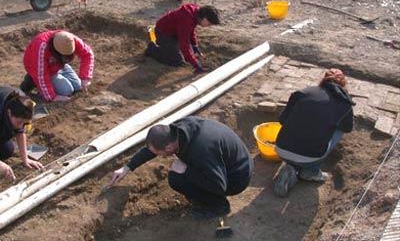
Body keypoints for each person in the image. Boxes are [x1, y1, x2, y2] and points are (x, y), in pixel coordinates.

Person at [109, 116, 253, 217]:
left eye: (158, 153)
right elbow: (154, 148)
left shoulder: (200, 150)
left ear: (169, 148)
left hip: (236, 178)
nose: (157, 155)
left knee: (176, 178)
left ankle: (219, 206)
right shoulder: (177, 130)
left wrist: (187, 170)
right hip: (227, 164)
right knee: (178, 173)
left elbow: (219, 185)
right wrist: (128, 167)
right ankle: (206, 196)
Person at [273, 68, 355, 197]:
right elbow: (348, 128)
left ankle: (291, 167)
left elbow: (282, 119)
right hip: (311, 157)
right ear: (343, 85)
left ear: (322, 80)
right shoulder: (344, 104)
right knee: (339, 129)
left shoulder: (303, 92)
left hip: (281, 148)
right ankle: (310, 171)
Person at [20, 30, 94, 102]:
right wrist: (52, 97)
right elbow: (41, 75)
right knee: (67, 91)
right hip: (39, 68)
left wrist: (85, 78)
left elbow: (87, 54)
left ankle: (56, 74)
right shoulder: (41, 48)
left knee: (78, 85)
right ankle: (32, 80)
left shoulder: (70, 40)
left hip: (59, 65)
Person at [145, 4, 220, 74]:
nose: (209, 26)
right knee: (177, 61)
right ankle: (152, 49)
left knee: (188, 55)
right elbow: (184, 45)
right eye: (209, 24)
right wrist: (196, 65)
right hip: (162, 33)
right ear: (205, 18)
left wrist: (194, 45)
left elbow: (191, 30)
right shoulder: (186, 19)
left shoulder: (196, 13)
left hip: (174, 32)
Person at [0, 86, 43, 181]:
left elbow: (20, 132)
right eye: (19, 122)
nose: (21, 126)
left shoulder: (22, 104)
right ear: (9, 112)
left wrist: (25, 158)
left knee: (7, 150)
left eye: (25, 123)